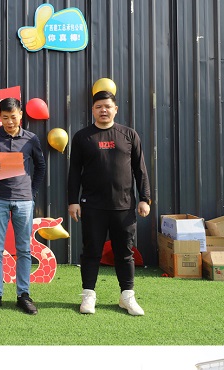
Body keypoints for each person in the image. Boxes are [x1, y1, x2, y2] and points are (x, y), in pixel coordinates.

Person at [67, 90, 151, 316]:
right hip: (92, 206)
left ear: (115, 109)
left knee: (124, 252)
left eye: (107, 106)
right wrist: (73, 201)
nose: (103, 110)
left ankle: (127, 296)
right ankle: (88, 295)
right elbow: (74, 172)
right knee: (91, 251)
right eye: (98, 107)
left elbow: (140, 170)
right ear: (93, 110)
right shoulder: (82, 137)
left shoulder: (129, 135)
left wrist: (145, 198)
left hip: (123, 206)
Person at [0, 97, 46, 315]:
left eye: (13, 117)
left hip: (24, 200)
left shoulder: (31, 138)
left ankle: (23, 294)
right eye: (4, 117)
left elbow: (41, 166)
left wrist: (32, 192)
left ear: (21, 115)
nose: (9, 122)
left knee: (24, 248)